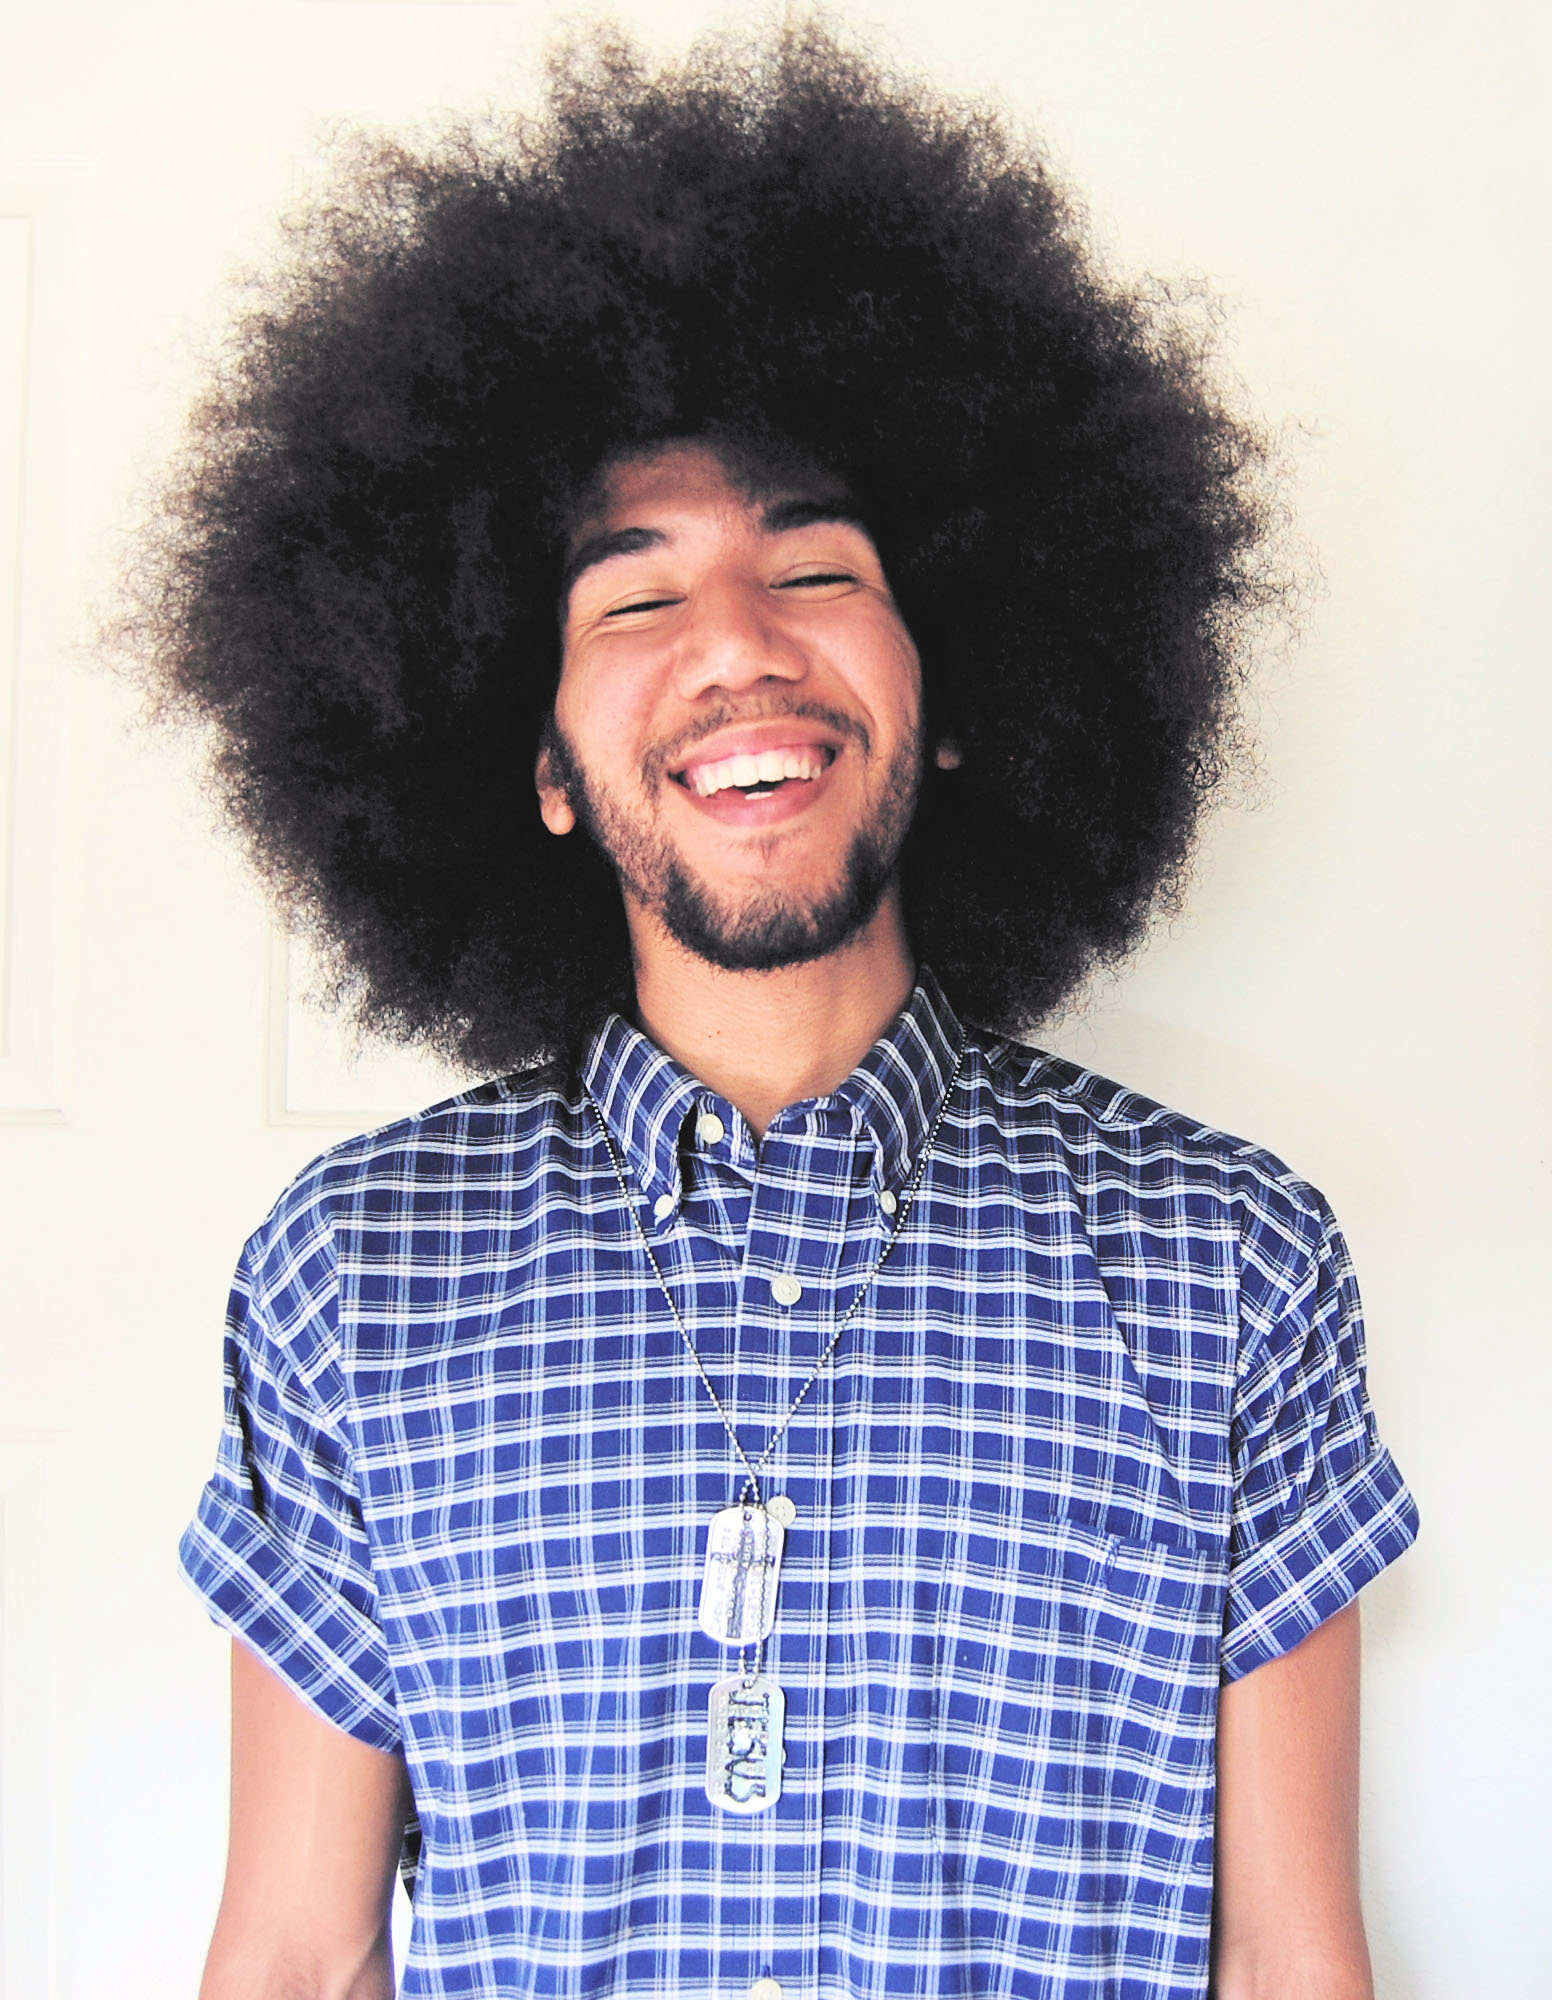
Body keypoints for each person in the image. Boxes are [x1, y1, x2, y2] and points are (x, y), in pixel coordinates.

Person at [128, 24, 1418, 1999]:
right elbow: (300, 1953)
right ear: (538, 763)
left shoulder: (1223, 1260)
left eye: (812, 566)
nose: (736, 643)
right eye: (633, 598)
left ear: (956, 689)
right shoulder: (353, 1276)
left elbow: (1287, 1954)